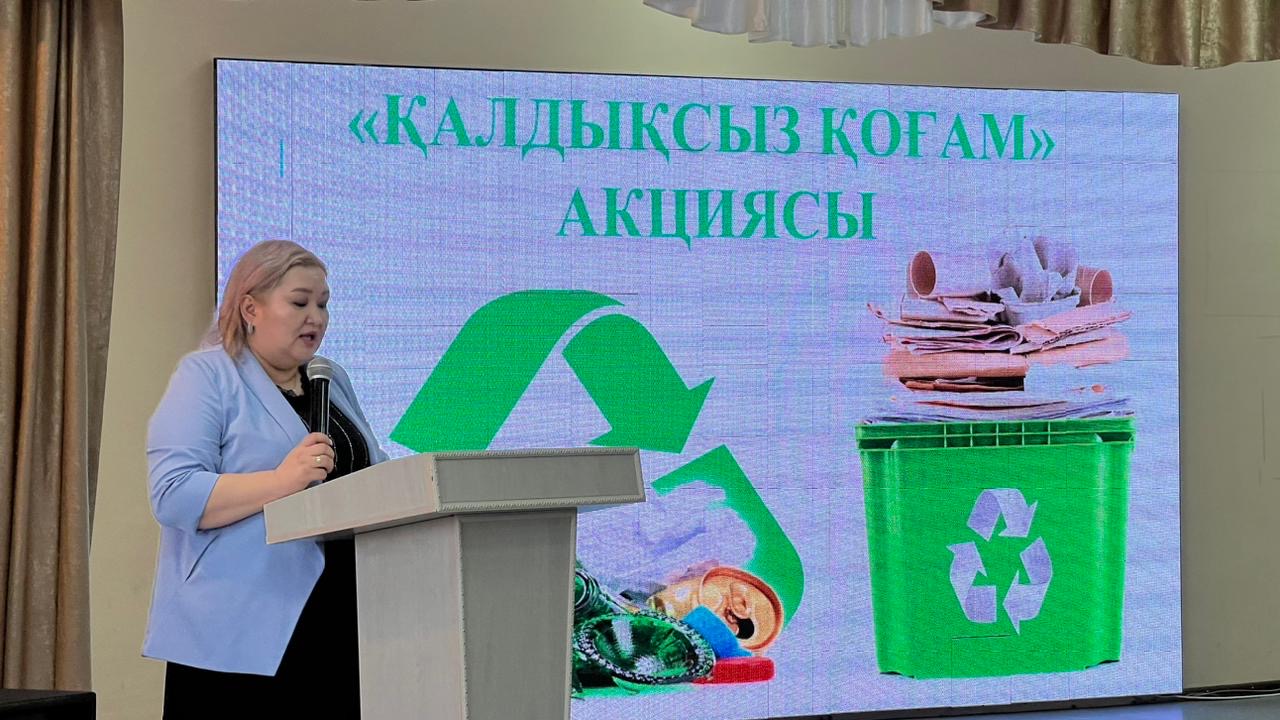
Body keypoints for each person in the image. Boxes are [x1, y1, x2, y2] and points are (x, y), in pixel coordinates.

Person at [143, 240, 387, 718]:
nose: (316, 317)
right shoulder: (208, 375)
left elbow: (367, 470)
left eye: (323, 304)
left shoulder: (330, 378)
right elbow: (173, 493)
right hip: (240, 624)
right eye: (299, 303)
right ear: (250, 308)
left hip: (343, 613)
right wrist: (281, 480)